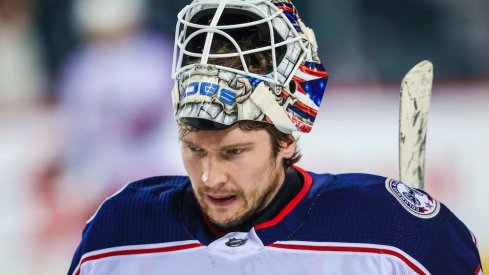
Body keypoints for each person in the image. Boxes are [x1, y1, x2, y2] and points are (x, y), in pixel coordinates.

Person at [68, 0, 483, 274]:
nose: (210, 178)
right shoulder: (118, 233)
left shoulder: (393, 233)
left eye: (234, 152)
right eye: (194, 149)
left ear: (286, 140)